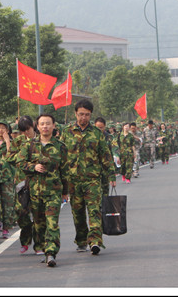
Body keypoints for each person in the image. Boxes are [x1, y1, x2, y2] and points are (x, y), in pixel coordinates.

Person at [60, 99, 116, 255]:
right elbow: (61, 155)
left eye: (86, 115)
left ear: (91, 115)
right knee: (77, 214)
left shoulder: (97, 133)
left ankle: (96, 241)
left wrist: (111, 174)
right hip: (73, 181)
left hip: (92, 180)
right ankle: (82, 240)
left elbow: (105, 156)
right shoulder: (67, 132)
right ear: (75, 114)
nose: (83, 118)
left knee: (94, 211)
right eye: (80, 114)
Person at [15, 113, 69, 267]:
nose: (45, 126)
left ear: (53, 126)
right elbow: (19, 163)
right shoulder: (29, 146)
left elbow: (64, 171)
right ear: (37, 127)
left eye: (48, 123)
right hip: (35, 192)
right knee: (39, 224)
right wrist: (33, 167)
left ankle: (51, 252)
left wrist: (65, 191)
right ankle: (44, 248)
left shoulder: (60, 147)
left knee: (52, 223)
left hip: (53, 191)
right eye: (42, 124)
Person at [6, 115, 39, 255]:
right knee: (22, 213)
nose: (26, 133)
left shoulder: (40, 140)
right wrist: (22, 155)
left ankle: (39, 244)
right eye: (23, 130)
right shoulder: (18, 141)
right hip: (21, 182)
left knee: (38, 215)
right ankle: (25, 240)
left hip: (38, 181)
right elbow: (9, 157)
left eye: (28, 129)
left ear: (33, 126)